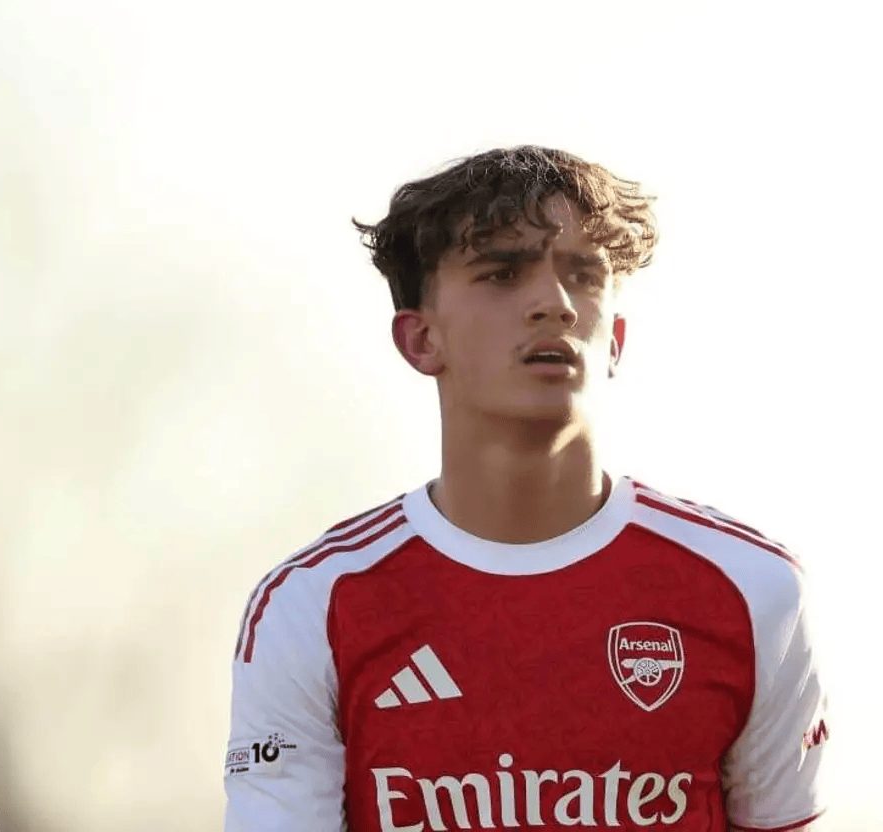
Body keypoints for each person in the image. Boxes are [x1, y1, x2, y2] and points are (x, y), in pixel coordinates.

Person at [223, 146, 829, 831]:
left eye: (583, 274)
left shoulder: (753, 590)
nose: (555, 305)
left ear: (615, 340)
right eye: (503, 273)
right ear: (420, 339)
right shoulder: (313, 606)